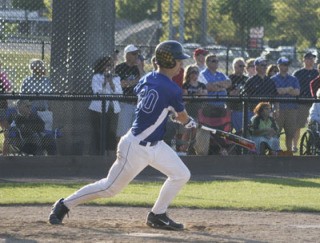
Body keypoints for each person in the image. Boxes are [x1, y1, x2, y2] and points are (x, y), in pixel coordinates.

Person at [48, 40, 196, 231]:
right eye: (178, 61)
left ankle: (158, 214)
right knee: (109, 188)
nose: (181, 65)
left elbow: (154, 103)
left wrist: (171, 114)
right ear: (168, 62)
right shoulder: (172, 89)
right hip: (136, 147)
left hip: (155, 145)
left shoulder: (147, 78)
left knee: (181, 174)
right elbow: (182, 117)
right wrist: (187, 121)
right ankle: (63, 205)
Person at [89, 56, 123, 154]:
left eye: (112, 65)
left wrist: (111, 83)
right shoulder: (96, 77)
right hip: (98, 108)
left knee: (111, 131)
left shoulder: (116, 77)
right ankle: (100, 153)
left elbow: (119, 93)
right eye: (108, 65)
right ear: (102, 66)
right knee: (99, 131)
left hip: (113, 108)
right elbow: (97, 92)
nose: (110, 67)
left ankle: (110, 153)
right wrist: (104, 82)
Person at [115, 44, 144, 141]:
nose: (137, 56)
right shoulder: (119, 68)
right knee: (123, 133)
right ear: (127, 55)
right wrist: (136, 81)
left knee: (136, 133)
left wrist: (140, 67)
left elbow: (144, 82)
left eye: (137, 54)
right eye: (134, 54)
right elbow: (122, 84)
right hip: (125, 102)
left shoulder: (137, 68)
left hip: (137, 103)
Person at [271, 57, 300, 152]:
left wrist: (284, 90)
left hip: (292, 109)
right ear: (279, 65)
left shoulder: (293, 78)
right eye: (283, 65)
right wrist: (289, 89)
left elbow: (297, 92)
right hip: (279, 108)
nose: (286, 67)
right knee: (276, 133)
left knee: (290, 133)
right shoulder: (273, 79)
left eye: (287, 64)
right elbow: (277, 91)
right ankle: (275, 152)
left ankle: (289, 152)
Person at [292, 51, 319, 152]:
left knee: (315, 124)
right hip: (302, 103)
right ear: (304, 60)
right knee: (298, 125)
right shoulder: (298, 73)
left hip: (315, 103)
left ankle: (314, 143)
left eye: (312, 58)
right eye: (308, 58)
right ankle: (294, 146)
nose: (310, 60)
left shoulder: (316, 73)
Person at [179, 65, 207, 154]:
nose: (195, 74)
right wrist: (196, 94)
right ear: (189, 74)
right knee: (187, 129)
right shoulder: (185, 85)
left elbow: (204, 95)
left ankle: (192, 148)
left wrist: (195, 95)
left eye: (196, 72)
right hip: (189, 110)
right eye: (193, 72)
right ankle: (183, 147)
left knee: (196, 130)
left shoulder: (202, 85)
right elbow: (186, 98)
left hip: (199, 109)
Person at [227, 57, 248, 133]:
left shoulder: (246, 79)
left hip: (243, 107)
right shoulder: (230, 78)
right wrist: (238, 92)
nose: (242, 68)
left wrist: (237, 92)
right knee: (228, 130)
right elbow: (231, 93)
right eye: (240, 66)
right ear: (234, 67)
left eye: (243, 66)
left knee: (242, 130)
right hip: (232, 107)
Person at [0, 59, 12, 155]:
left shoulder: (2, 75)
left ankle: (5, 152)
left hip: (2, 106)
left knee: (6, 131)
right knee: (6, 131)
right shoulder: (2, 75)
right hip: (2, 106)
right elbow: (8, 87)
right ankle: (5, 153)